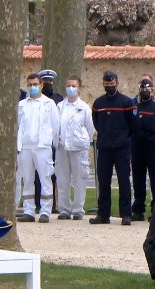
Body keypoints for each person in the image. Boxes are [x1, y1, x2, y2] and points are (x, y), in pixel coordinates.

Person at [89, 70, 135, 226]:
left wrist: (124, 139)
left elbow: (132, 125)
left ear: (117, 83)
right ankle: (103, 214)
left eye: (112, 84)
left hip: (121, 148)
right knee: (103, 182)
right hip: (104, 147)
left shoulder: (126, 103)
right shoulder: (98, 103)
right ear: (103, 84)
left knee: (124, 181)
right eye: (107, 84)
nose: (109, 86)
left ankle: (126, 215)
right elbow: (96, 122)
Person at [17, 73, 59, 223]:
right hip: (26, 147)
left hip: (42, 147)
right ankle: (28, 210)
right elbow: (18, 126)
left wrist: (49, 141)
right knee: (27, 179)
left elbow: (55, 126)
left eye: (35, 84)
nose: (32, 87)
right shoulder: (22, 105)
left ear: (41, 85)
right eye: (30, 85)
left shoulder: (49, 104)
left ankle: (45, 211)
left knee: (45, 178)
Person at [55, 74, 94, 220]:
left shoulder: (84, 107)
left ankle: (78, 209)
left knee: (79, 178)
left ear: (79, 88)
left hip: (78, 148)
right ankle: (64, 209)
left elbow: (90, 128)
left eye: (73, 86)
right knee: (62, 179)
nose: (70, 88)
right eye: (68, 85)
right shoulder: (60, 106)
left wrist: (82, 140)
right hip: (62, 147)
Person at [130, 78, 155, 222]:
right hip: (137, 146)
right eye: (142, 90)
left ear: (153, 91)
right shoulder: (135, 106)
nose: (145, 92)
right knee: (138, 179)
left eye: (147, 90)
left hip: (153, 147)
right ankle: (138, 209)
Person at [33, 69, 63, 214]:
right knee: (38, 175)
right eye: (46, 82)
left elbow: (58, 122)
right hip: (38, 142)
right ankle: (38, 203)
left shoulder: (58, 99)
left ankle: (52, 203)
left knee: (53, 174)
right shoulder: (34, 100)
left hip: (52, 142)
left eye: (50, 82)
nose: (48, 85)